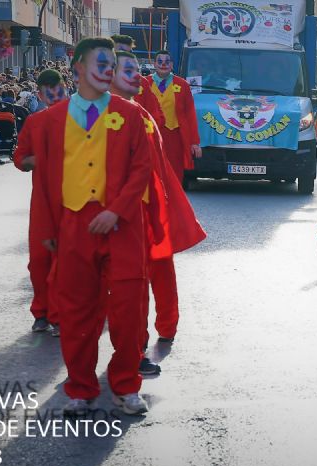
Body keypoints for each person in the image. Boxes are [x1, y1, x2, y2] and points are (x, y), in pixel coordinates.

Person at [26, 37, 155, 416]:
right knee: (77, 312)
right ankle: (80, 389)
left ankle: (126, 385)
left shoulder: (131, 115)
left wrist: (116, 210)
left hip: (122, 225)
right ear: (77, 68)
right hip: (74, 225)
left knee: (130, 311)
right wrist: (50, 228)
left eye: (112, 63)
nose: (109, 70)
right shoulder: (49, 121)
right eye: (101, 62)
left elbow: (141, 169)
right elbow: (46, 179)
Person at [110, 50, 207, 374]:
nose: (138, 74)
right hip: (119, 211)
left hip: (153, 197)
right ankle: (130, 348)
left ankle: (165, 328)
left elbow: (187, 119)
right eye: (128, 69)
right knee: (127, 280)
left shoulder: (177, 89)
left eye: (139, 68)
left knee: (160, 267)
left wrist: (167, 205)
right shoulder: (99, 115)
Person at [11, 69, 67, 336]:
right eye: (48, 92)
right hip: (44, 202)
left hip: (75, 200)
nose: (54, 96)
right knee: (40, 259)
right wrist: (44, 158)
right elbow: (20, 159)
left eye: (58, 90)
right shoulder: (34, 122)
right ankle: (42, 312)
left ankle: (59, 314)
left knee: (66, 260)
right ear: (40, 95)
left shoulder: (81, 119)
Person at [137, 50, 202, 187]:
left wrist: (194, 142)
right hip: (150, 135)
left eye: (167, 62)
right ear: (154, 64)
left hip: (174, 136)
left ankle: (173, 201)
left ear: (172, 65)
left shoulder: (182, 85)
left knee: (174, 172)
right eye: (160, 61)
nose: (163, 64)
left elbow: (190, 114)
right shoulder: (145, 83)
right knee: (150, 169)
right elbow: (137, 110)